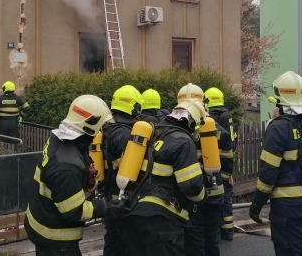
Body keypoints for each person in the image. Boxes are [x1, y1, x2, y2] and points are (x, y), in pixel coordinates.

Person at [249, 71, 302, 256]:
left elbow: (268, 171)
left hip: (288, 208)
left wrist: (257, 204)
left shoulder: (279, 127)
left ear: (280, 99)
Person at [118, 83, 208, 256]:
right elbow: (192, 186)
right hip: (162, 223)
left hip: (133, 214)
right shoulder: (183, 141)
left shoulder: (151, 132)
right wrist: (203, 197)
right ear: (193, 122)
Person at [25, 95, 113, 256]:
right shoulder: (68, 167)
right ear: (89, 127)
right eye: (99, 127)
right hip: (56, 239)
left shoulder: (58, 139)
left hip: (40, 222)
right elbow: (74, 212)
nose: (100, 131)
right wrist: (105, 206)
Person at [101, 85, 143, 256]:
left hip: (109, 197)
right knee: (127, 244)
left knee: (113, 242)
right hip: (123, 200)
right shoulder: (126, 135)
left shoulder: (105, 129)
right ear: (135, 108)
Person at [184, 111, 234, 256]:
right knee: (212, 238)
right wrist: (222, 180)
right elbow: (227, 164)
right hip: (216, 192)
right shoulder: (222, 132)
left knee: (195, 239)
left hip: (194, 193)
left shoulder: (186, 130)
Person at [204, 87, 237, 240]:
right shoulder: (227, 115)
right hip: (225, 162)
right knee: (226, 197)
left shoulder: (205, 118)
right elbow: (231, 143)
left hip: (208, 164)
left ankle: (214, 229)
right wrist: (229, 173)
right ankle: (228, 231)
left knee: (211, 197)